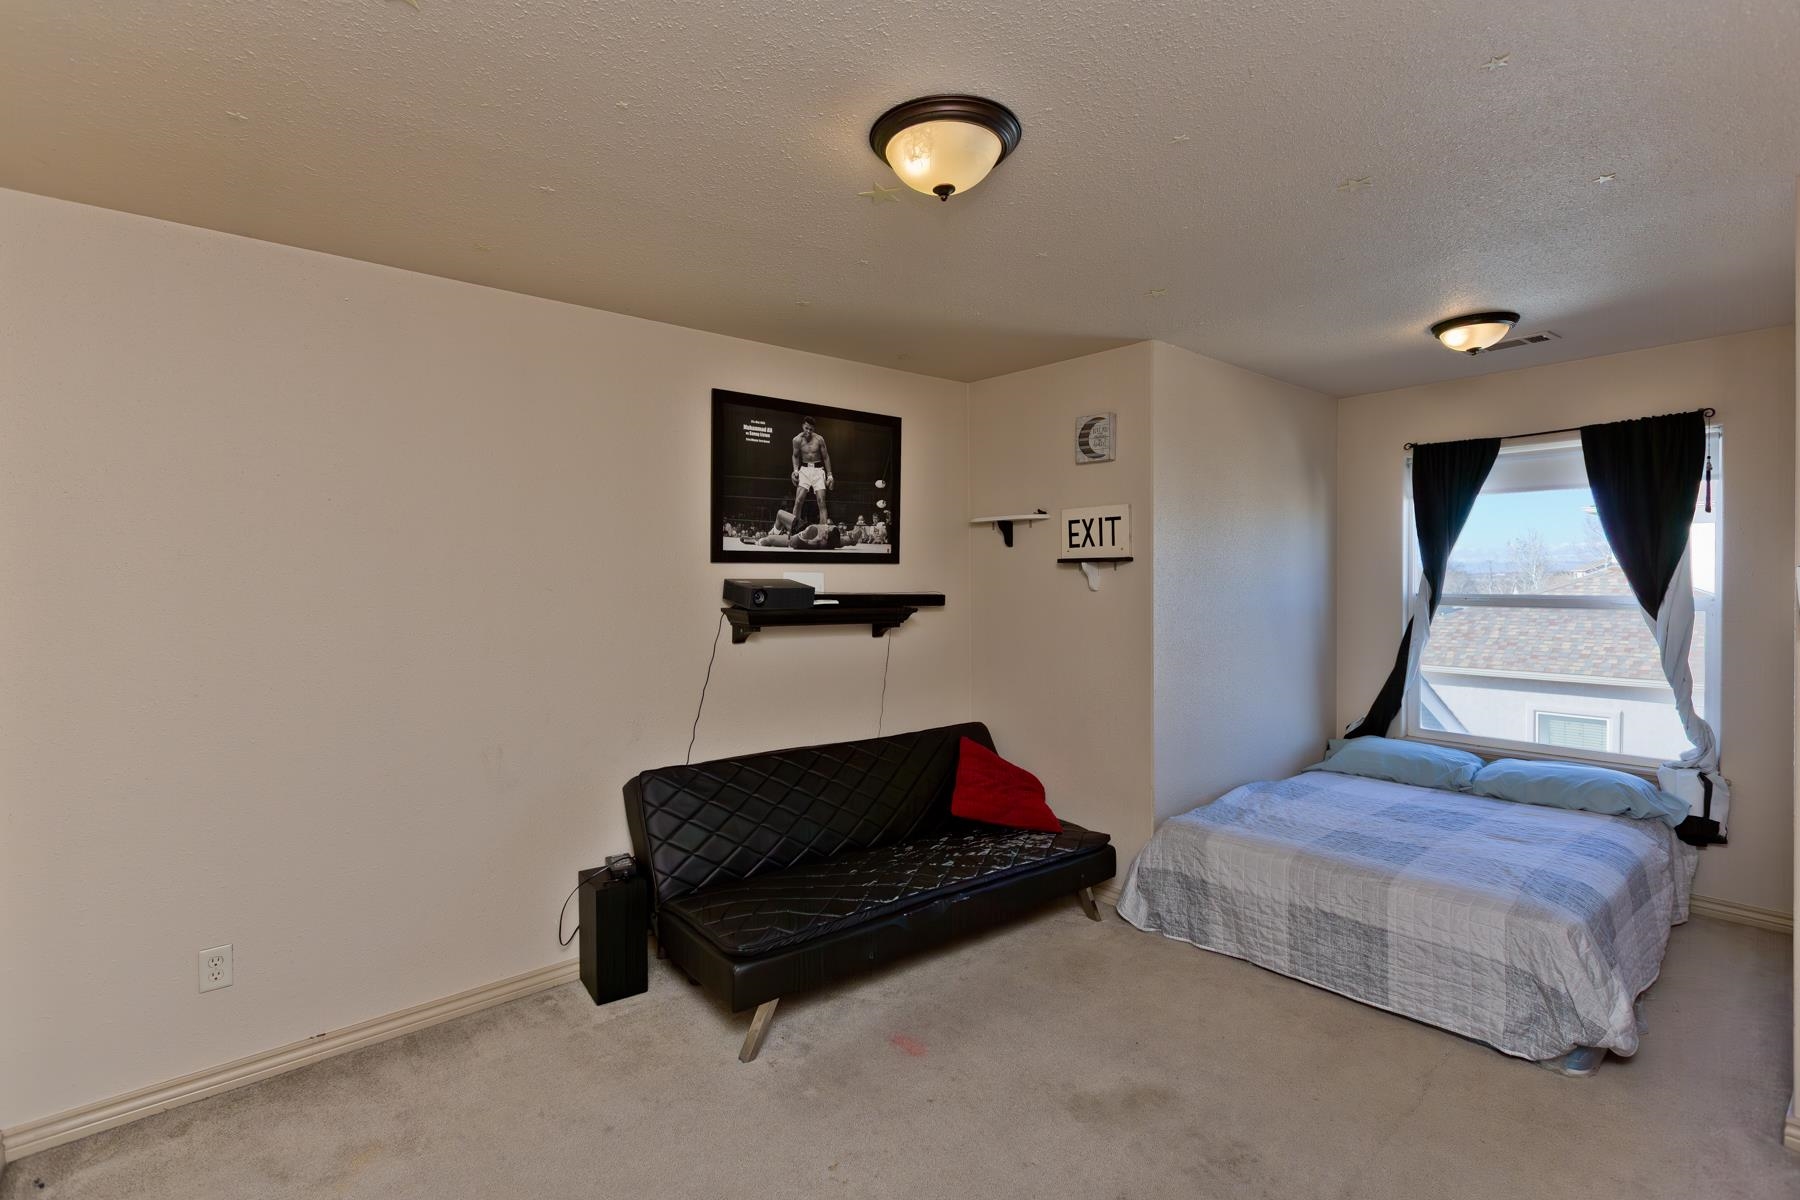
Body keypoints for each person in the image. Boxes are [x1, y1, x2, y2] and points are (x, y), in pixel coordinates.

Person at [789, 415, 833, 528]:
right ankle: (794, 529)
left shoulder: (819, 439)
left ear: (814, 429)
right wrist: (795, 470)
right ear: (803, 426)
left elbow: (826, 457)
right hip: (804, 470)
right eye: (806, 428)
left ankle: (823, 531)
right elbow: (795, 456)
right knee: (798, 500)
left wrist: (830, 475)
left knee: (821, 501)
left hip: (818, 470)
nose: (808, 431)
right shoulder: (797, 440)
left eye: (811, 429)